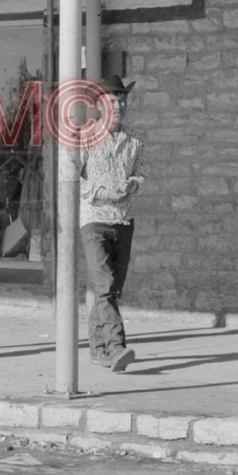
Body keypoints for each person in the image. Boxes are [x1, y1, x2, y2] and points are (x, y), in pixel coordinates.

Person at [78, 76, 144, 372]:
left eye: (122, 100)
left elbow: (142, 173)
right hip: (94, 222)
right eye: (112, 101)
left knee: (110, 290)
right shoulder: (84, 137)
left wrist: (134, 184)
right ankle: (117, 347)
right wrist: (104, 193)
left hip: (124, 221)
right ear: (100, 106)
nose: (119, 106)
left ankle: (97, 348)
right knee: (104, 285)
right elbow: (73, 181)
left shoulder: (135, 141)